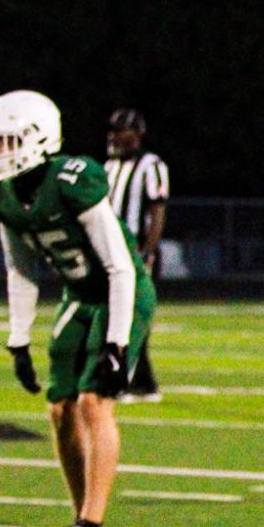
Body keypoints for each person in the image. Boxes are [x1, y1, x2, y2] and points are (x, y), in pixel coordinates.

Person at [0, 90, 156, 527]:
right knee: (59, 408)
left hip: (122, 292)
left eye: (8, 141)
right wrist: (18, 340)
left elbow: (120, 267)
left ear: (40, 139)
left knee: (95, 402)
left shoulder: (74, 179)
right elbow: (20, 269)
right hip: (79, 295)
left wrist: (117, 343)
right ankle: (80, 521)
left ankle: (93, 525)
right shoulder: (3, 198)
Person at [104, 109, 168, 400]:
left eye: (122, 130)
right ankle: (142, 381)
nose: (115, 135)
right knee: (117, 316)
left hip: (136, 252)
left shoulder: (151, 165)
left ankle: (126, 380)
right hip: (111, 252)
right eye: (113, 130)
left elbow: (157, 210)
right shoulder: (108, 166)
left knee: (132, 318)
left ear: (137, 134)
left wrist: (148, 252)